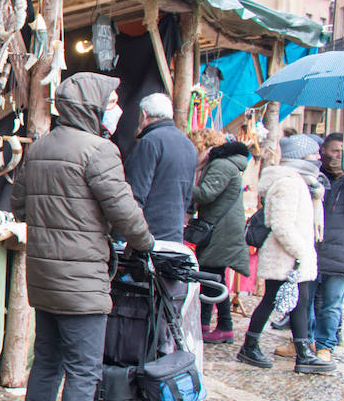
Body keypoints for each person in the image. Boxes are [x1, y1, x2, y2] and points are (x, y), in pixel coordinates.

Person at [11, 73, 153, 401]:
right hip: (84, 282)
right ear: (92, 105)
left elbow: (19, 203)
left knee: (47, 364)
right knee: (83, 373)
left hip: (44, 278)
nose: (116, 106)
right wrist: (145, 243)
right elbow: (126, 213)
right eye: (111, 99)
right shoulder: (99, 151)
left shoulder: (39, 148)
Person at [235, 134, 333, 375]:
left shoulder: (303, 182)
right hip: (286, 255)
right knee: (272, 300)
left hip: (296, 255)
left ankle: (303, 353)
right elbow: (281, 224)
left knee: (300, 302)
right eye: (313, 154)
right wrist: (300, 252)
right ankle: (251, 345)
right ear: (300, 157)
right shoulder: (288, 183)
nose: (318, 158)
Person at [305, 134, 344, 359]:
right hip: (312, 247)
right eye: (334, 151)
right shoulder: (313, 175)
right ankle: (304, 342)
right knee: (305, 301)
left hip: (342, 250)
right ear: (323, 151)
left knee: (331, 304)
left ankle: (325, 346)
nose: (338, 157)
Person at [190, 137, 252, 342]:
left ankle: (225, 326)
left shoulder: (221, 165)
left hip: (219, 231)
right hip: (222, 229)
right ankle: (205, 323)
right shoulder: (227, 165)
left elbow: (206, 194)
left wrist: (182, 181)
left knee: (213, 276)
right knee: (211, 274)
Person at [124, 92, 197, 243]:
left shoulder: (149, 142)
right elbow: (188, 196)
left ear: (143, 115)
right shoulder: (189, 145)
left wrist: (123, 234)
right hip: (174, 233)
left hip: (147, 234)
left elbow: (135, 193)